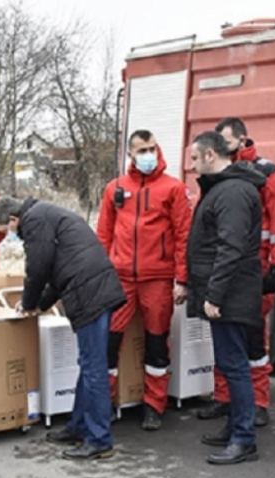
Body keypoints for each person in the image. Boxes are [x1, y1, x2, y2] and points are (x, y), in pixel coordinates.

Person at [0, 196, 127, 460]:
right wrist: (36, 305)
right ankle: (79, 427)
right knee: (88, 364)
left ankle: (99, 440)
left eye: (5, 230)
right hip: (91, 288)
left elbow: (37, 269)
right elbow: (55, 275)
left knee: (94, 368)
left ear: (13, 220)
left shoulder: (35, 221)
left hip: (90, 293)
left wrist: (28, 302)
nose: (9, 237)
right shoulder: (43, 215)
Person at [197, 117, 275, 427]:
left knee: (253, 340)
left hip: (255, 268)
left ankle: (258, 401)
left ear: (241, 139)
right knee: (226, 340)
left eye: (226, 141)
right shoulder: (222, 178)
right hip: (231, 271)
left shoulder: (266, 174)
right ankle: (226, 398)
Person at [96, 130, 192, 431]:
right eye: (141, 150)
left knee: (156, 344)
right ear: (130, 155)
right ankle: (105, 403)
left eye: (151, 148)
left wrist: (181, 279)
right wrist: (100, 274)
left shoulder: (173, 189)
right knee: (108, 342)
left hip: (158, 279)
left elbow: (183, 237)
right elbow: (103, 234)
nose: (148, 154)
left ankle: (154, 406)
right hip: (120, 278)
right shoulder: (115, 189)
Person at [186, 131, 265, 465]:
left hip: (230, 295)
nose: (190, 165)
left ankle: (244, 438)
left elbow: (230, 247)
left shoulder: (232, 192)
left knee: (235, 366)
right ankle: (234, 425)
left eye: (193, 158)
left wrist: (214, 294)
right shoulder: (224, 188)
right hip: (225, 293)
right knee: (229, 363)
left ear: (209, 156)